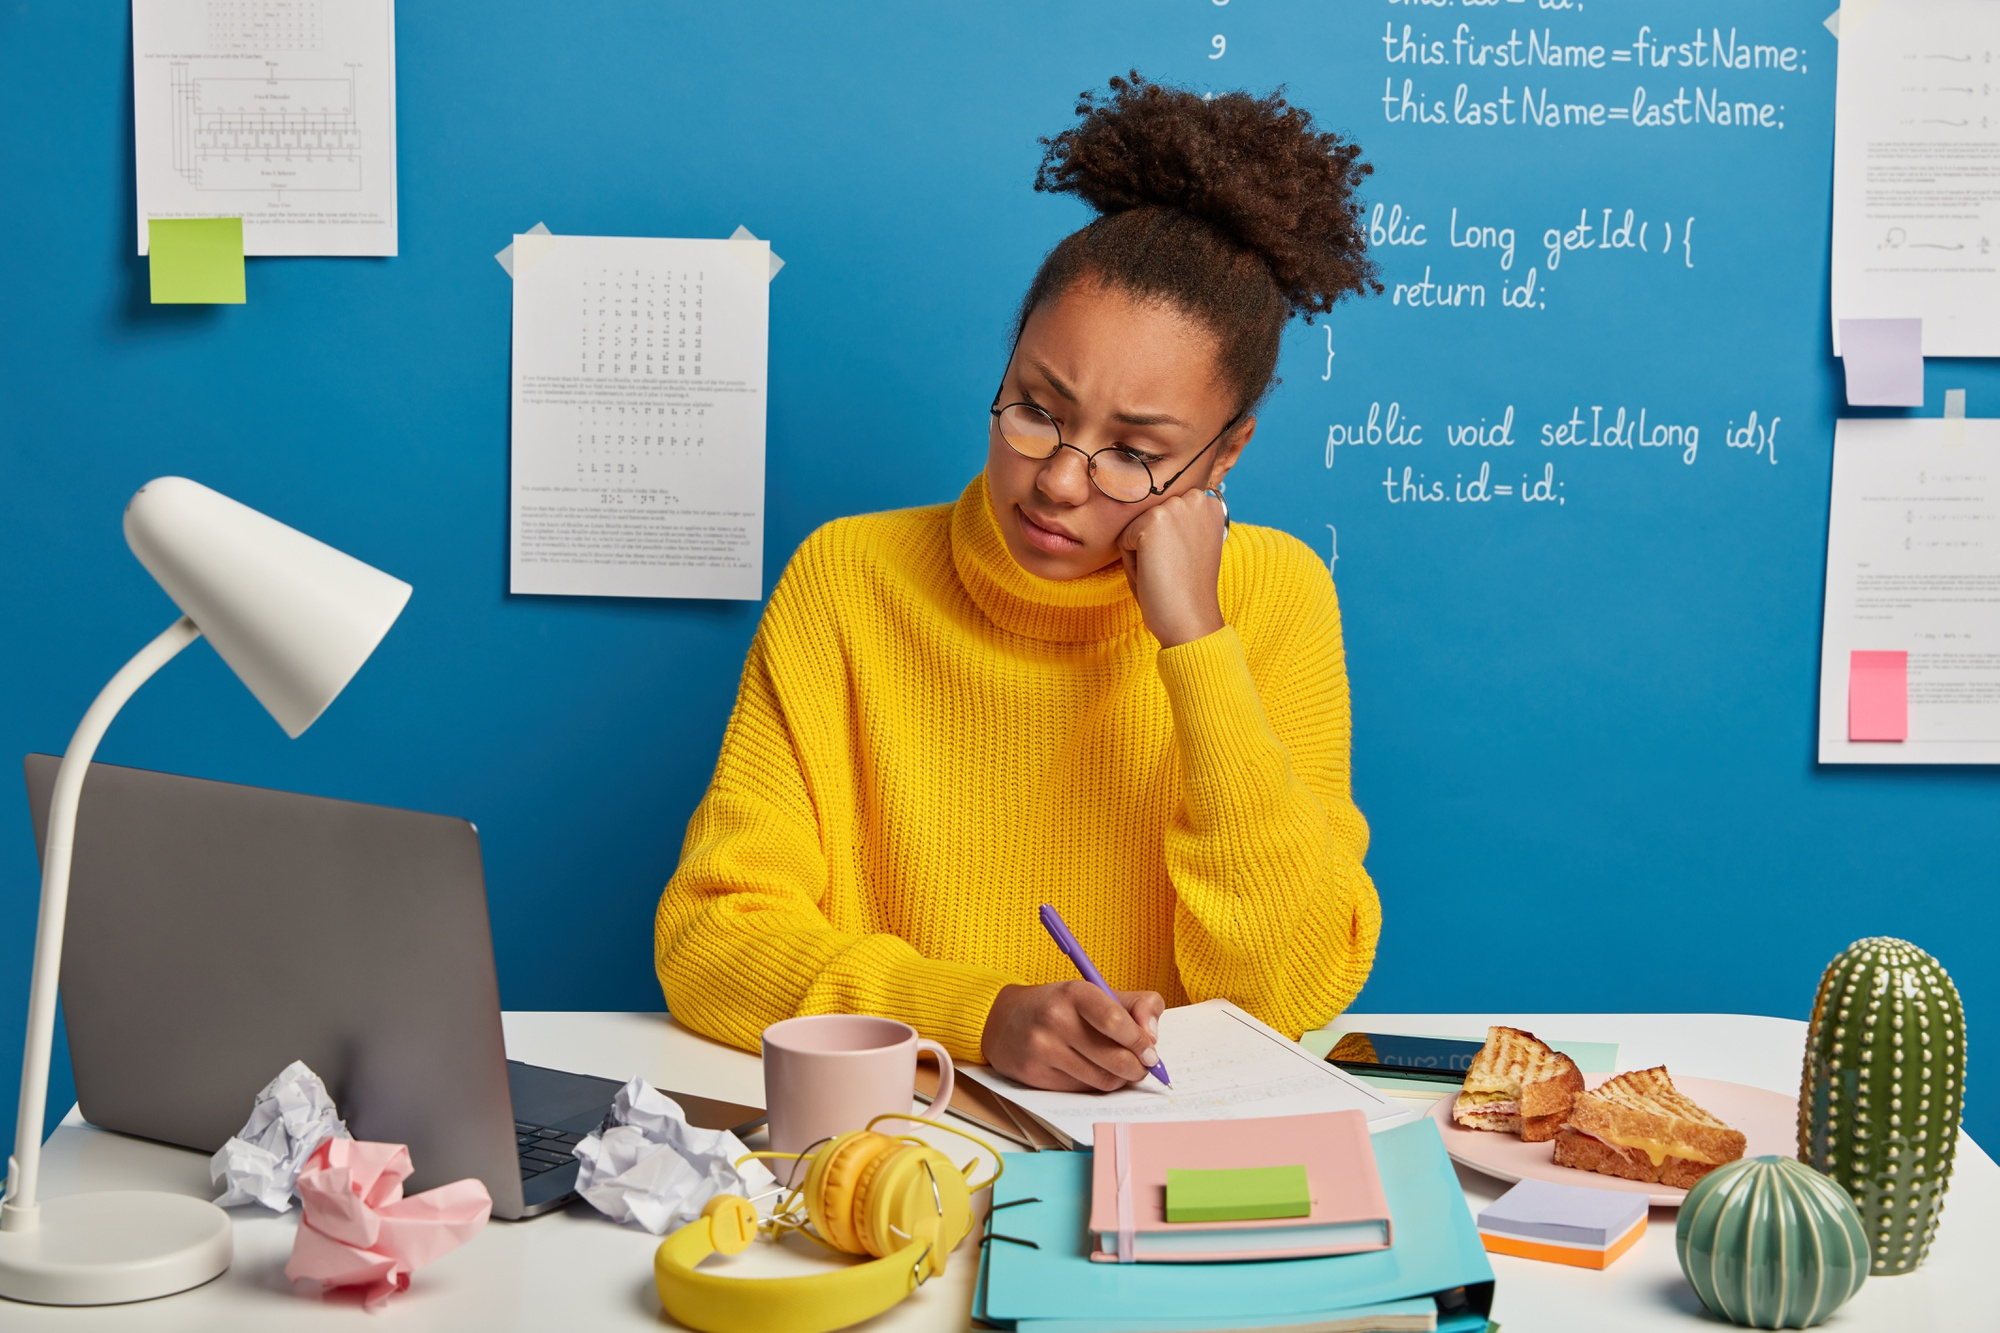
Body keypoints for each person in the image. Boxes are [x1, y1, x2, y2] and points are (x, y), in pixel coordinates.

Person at [655, 73, 1382, 1093]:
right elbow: (709, 943)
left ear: (1222, 458)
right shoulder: (847, 581)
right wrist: (974, 1018)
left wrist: (1197, 648)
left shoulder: (1277, 598)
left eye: (1133, 452)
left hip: (1165, 1158)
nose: (1057, 479)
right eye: (1037, 408)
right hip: (910, 1140)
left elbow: (1290, 989)